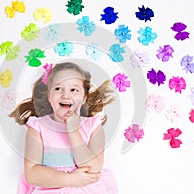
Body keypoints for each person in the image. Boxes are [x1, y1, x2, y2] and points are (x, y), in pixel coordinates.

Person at [10, 61, 118, 193]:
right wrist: (71, 179)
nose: (66, 95)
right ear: (49, 96)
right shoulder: (38, 128)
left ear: (84, 98)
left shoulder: (93, 126)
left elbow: (93, 168)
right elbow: (31, 173)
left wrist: (73, 131)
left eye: (74, 90)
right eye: (58, 88)